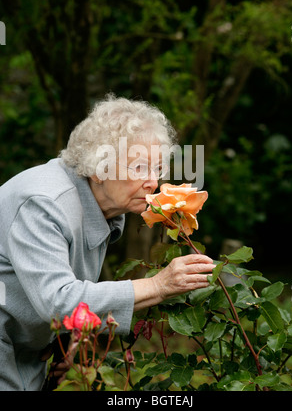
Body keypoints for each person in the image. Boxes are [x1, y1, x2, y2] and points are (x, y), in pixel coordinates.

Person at [0, 94, 214, 391]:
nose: (153, 182)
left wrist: (68, 341)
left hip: (22, 353)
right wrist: (158, 285)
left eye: (156, 170)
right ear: (99, 168)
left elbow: (57, 290)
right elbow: (58, 302)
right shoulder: (44, 202)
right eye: (139, 168)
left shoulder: (105, 208)